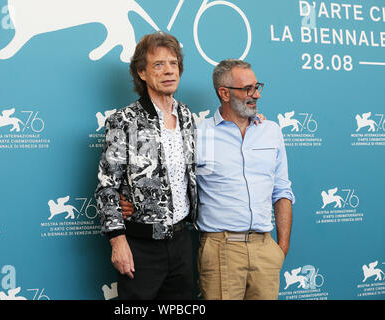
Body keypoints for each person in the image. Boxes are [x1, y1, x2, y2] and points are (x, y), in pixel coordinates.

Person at [94, 32, 198, 300]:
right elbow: (107, 186)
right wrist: (118, 242)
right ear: (142, 73)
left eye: (173, 63)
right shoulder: (124, 120)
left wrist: (252, 119)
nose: (168, 71)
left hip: (181, 241)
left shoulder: (187, 116)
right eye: (158, 65)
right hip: (141, 246)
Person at [196, 59, 295, 300]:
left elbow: (282, 190)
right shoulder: (201, 134)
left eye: (257, 86)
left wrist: (280, 249)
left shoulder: (270, 131)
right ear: (224, 93)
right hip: (222, 249)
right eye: (248, 89)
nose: (257, 94)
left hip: (265, 250)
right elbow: (178, 185)